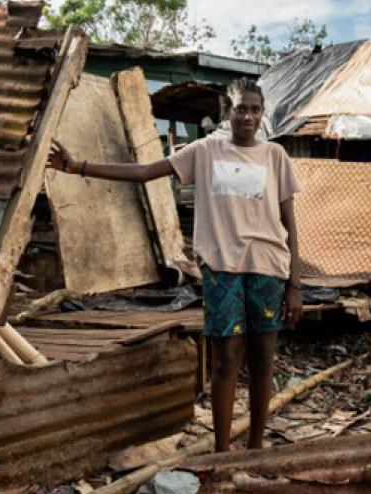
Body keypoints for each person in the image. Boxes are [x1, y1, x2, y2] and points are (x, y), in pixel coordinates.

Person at [48, 77, 303, 452]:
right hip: (222, 270)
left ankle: (255, 447)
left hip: (268, 268)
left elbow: (289, 223)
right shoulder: (204, 151)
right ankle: (220, 451)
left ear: (262, 113)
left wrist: (295, 285)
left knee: (263, 360)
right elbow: (143, 172)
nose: (247, 116)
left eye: (254, 109)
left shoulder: (275, 156)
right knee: (225, 361)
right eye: (239, 108)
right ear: (225, 112)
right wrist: (77, 167)